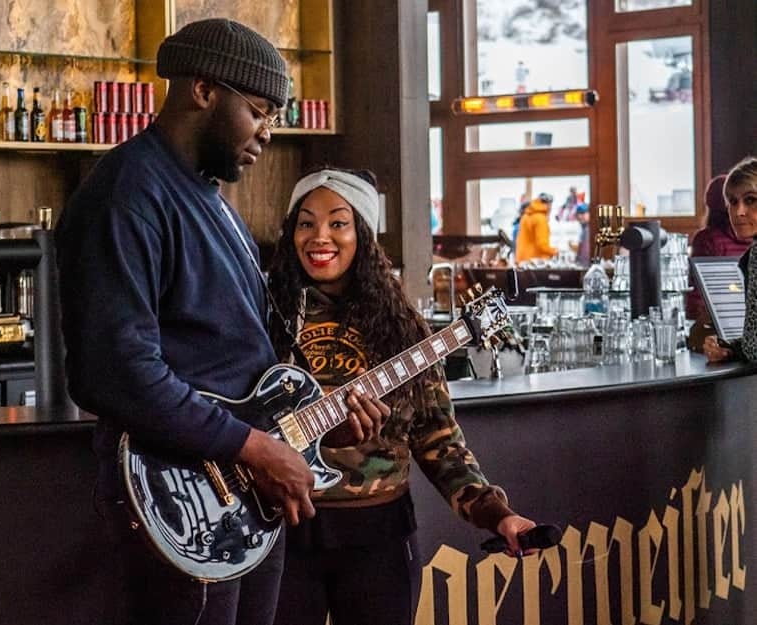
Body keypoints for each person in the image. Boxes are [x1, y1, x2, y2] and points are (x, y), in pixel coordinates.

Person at [54, 19, 384, 625]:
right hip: (179, 504)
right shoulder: (127, 194)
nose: (266, 132)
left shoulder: (209, 196)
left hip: (244, 499)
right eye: (258, 110)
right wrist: (255, 447)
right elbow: (114, 373)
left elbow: (235, 365)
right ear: (203, 90)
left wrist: (307, 430)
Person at [267, 167, 537, 625]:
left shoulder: (405, 331)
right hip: (280, 530)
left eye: (338, 222)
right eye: (306, 222)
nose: (320, 237)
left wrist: (498, 515)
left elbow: (440, 442)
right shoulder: (262, 313)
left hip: (379, 536)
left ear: (364, 234)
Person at [701, 157, 757, 364]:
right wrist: (729, 348)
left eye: (751, 200)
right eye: (733, 202)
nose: (739, 211)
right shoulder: (752, 256)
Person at [515, 192, 557, 263]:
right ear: (549, 205)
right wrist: (555, 251)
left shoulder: (526, 216)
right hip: (535, 262)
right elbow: (542, 245)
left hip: (522, 260)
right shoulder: (540, 219)